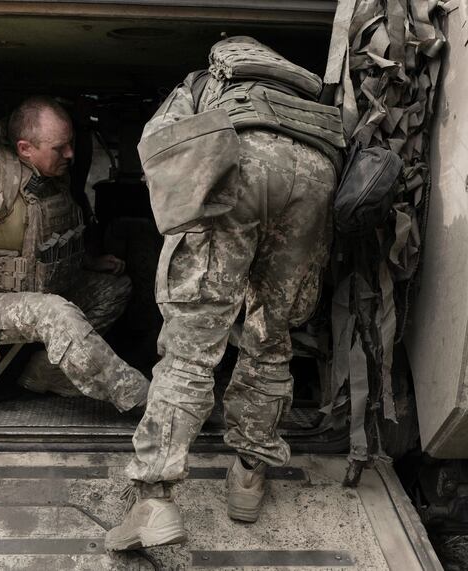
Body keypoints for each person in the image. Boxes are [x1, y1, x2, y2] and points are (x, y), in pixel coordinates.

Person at [106, 37, 341, 550]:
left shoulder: (205, 80)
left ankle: (155, 499)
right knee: (270, 335)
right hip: (317, 176)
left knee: (192, 346)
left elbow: (158, 144)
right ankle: (249, 476)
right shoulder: (304, 97)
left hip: (242, 161)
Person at [0, 96, 149, 412]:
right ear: (26, 148)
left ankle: (43, 373)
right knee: (55, 313)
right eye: (59, 148)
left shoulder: (52, 178)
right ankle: (142, 400)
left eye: (71, 144)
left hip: (41, 290)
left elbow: (48, 239)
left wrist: (88, 261)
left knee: (115, 288)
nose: (70, 154)